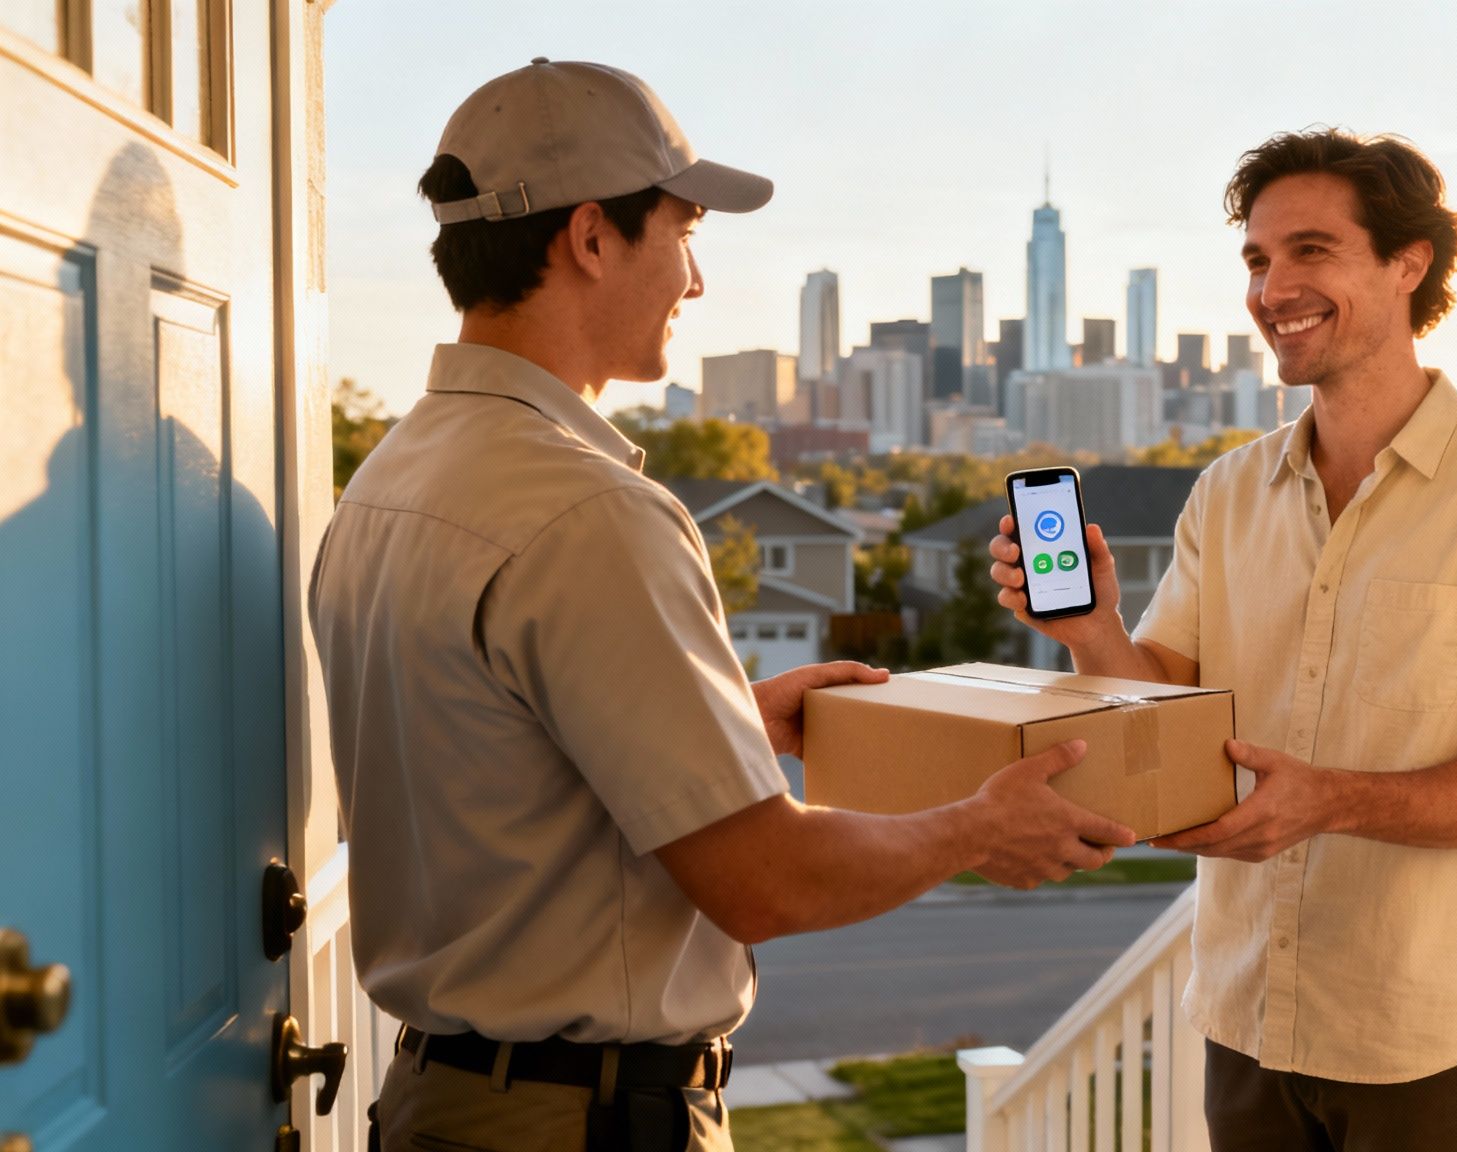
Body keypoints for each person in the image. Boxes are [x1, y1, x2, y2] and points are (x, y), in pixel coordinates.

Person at [310, 59, 1134, 1152]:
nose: (694, 282)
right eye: (685, 231)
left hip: (442, 1104)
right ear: (592, 237)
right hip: (583, 1124)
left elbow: (487, 762)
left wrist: (724, 718)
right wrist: (980, 824)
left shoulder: (391, 479)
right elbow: (764, 882)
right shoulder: (589, 510)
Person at [988, 129, 1457, 1151]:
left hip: (1423, 1044)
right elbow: (1157, 717)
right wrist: (1088, 623)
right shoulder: (1226, 493)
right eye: (1257, 260)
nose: (1273, 288)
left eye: (1309, 251)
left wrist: (1325, 801)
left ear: (1408, 263)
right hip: (1245, 1024)